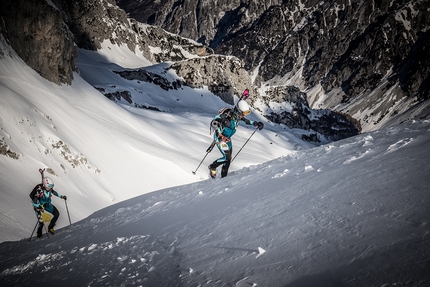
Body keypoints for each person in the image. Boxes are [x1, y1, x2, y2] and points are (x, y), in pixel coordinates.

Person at [208, 100, 264, 178]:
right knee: (226, 158)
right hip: (220, 139)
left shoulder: (237, 117)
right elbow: (214, 122)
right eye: (243, 113)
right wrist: (222, 135)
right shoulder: (227, 115)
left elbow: (246, 121)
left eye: (245, 113)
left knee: (228, 159)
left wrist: (255, 123)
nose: (243, 115)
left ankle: (223, 178)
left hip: (227, 139)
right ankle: (212, 167)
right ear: (238, 111)